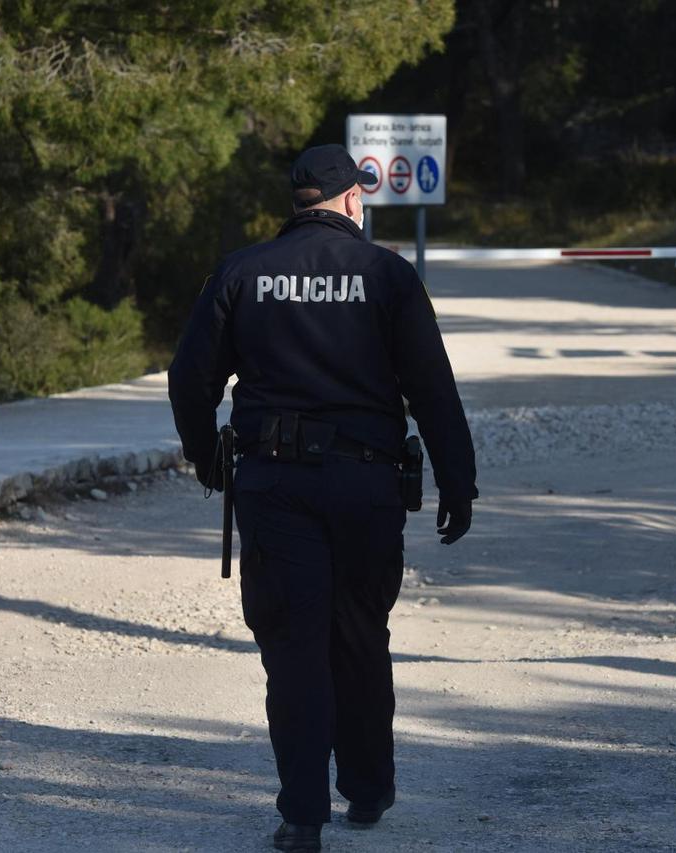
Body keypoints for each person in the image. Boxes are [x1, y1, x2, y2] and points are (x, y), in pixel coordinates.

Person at [168, 143, 478, 852]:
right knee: (361, 633)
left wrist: (205, 454)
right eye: (361, 194)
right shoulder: (387, 274)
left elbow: (190, 378)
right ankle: (367, 791)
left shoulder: (241, 272)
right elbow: (432, 386)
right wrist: (458, 480)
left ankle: (302, 813)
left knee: (293, 645)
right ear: (349, 200)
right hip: (366, 482)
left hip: (274, 485)